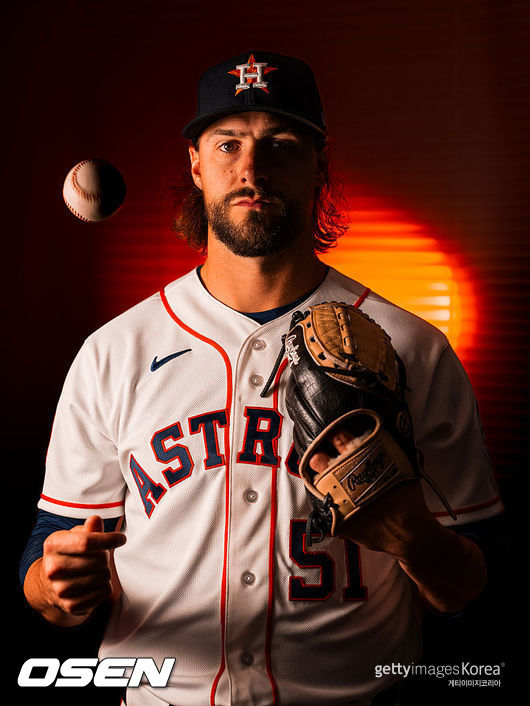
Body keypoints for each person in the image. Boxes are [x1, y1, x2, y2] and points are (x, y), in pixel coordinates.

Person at [20, 51, 503, 706]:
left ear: (319, 165)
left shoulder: (412, 348)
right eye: (228, 144)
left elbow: (480, 593)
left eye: (281, 144)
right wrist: (55, 586)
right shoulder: (114, 352)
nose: (251, 168)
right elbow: (47, 559)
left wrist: (414, 540)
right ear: (196, 165)